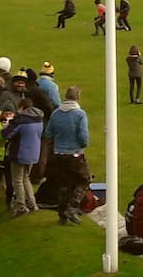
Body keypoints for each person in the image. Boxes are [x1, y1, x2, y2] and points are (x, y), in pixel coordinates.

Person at [46, 86, 91, 225]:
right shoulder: (79, 114)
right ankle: (72, 207)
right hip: (75, 154)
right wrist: (83, 144)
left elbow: (48, 133)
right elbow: (83, 137)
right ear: (78, 97)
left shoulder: (55, 114)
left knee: (64, 184)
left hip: (59, 154)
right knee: (85, 180)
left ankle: (62, 215)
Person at [3, 105, 44, 218]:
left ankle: (21, 206)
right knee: (26, 177)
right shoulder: (39, 120)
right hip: (33, 153)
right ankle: (32, 203)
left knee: (17, 180)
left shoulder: (21, 121)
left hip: (20, 153)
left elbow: (6, 134)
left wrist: (7, 125)